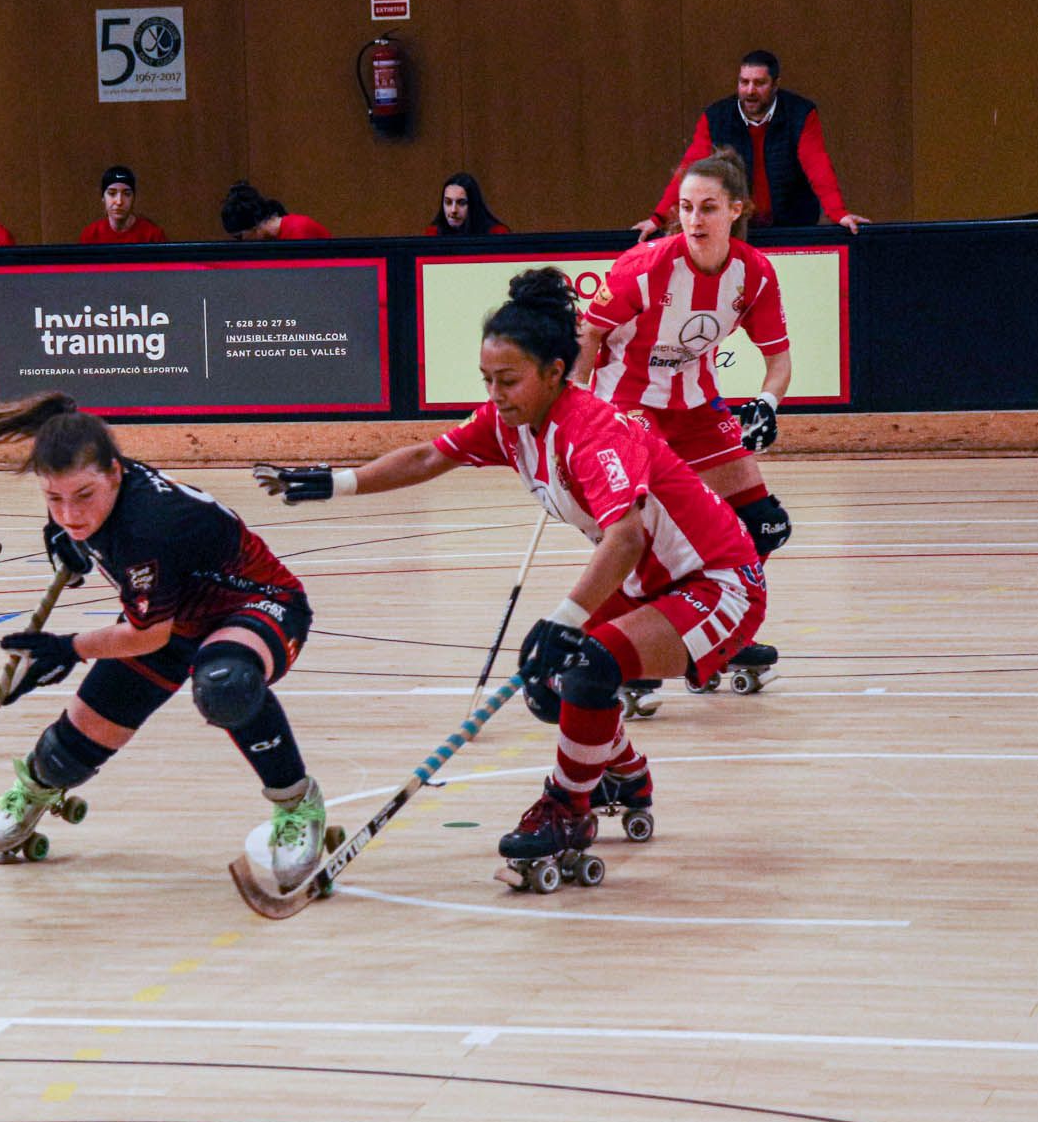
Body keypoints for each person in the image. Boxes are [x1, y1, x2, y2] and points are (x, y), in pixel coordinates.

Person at [254, 270, 766, 886]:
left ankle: (567, 809)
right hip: (644, 587)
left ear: (555, 371)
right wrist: (336, 482)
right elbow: (428, 456)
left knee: (586, 665)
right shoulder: (509, 422)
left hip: (716, 584)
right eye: (487, 381)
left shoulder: (594, 429)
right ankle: (623, 773)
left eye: (508, 380)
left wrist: (567, 619)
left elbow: (626, 537)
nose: (495, 394)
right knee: (550, 685)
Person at [0, 392, 331, 888]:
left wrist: (67, 648)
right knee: (63, 757)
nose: (70, 512)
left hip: (253, 605)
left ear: (114, 474)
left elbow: (145, 636)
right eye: (54, 499)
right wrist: (63, 544)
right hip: (171, 621)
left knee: (226, 684)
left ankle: (296, 803)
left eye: (83, 497)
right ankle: (42, 786)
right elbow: (73, 526)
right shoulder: (88, 483)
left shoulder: (149, 525)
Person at [581, 147, 791, 702]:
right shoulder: (646, 266)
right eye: (686, 208)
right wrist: (579, 406)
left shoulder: (754, 274)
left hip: (696, 404)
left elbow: (778, 359)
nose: (695, 220)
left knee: (763, 524)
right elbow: (588, 335)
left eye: (708, 208)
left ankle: (720, 634)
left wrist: (767, 403)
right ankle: (629, 646)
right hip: (627, 406)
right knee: (644, 540)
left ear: (735, 210)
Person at [635, 50, 866, 240]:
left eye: (759, 83)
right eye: (744, 82)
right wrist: (658, 218)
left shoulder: (800, 113)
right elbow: (690, 169)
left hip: (792, 227)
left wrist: (838, 213)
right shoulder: (716, 117)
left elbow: (817, 165)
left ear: (776, 84)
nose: (749, 91)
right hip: (738, 230)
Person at [80, 165, 168, 244]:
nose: (119, 201)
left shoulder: (152, 235)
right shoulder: (91, 235)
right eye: (112, 193)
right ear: (103, 197)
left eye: (126, 194)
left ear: (134, 198)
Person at [220, 180, 330, 240]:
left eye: (240, 237)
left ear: (254, 227)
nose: (242, 242)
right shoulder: (273, 239)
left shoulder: (298, 229)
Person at [423, 172, 510, 236]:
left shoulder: (497, 233)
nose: (453, 210)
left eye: (461, 203)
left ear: (473, 205)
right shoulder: (433, 233)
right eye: (448, 202)